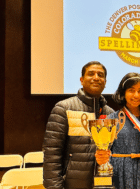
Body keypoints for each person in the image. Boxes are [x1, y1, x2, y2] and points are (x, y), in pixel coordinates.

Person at [43, 61, 114, 189]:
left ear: (105, 81)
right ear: (82, 80)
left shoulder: (110, 113)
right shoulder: (63, 108)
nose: (96, 77)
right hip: (71, 185)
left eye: (100, 75)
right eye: (91, 74)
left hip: (103, 185)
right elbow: (52, 154)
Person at [95, 72, 140, 189]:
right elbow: (103, 153)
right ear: (123, 93)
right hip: (119, 172)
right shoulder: (112, 119)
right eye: (131, 90)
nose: (136, 95)